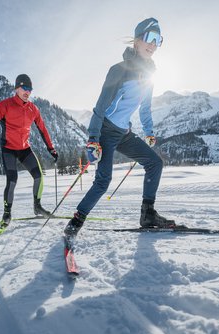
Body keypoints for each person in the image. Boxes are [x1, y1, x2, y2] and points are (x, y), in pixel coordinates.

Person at [65, 17, 175, 238]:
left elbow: (145, 108)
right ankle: (76, 221)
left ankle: (148, 214)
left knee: (154, 163)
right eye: (150, 38)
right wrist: (93, 139)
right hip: (105, 131)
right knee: (103, 181)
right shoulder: (119, 70)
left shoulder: (150, 75)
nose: (153, 45)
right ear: (137, 40)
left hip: (124, 132)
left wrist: (149, 131)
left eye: (158, 40)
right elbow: (100, 107)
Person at [0, 74, 59, 226]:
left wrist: (51, 148)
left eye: (30, 89)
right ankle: (7, 213)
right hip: (8, 148)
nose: (27, 92)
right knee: (12, 180)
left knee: (38, 176)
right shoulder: (5, 105)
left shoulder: (33, 109)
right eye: (24, 88)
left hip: (24, 148)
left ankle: (37, 207)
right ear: (17, 88)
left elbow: (43, 129)